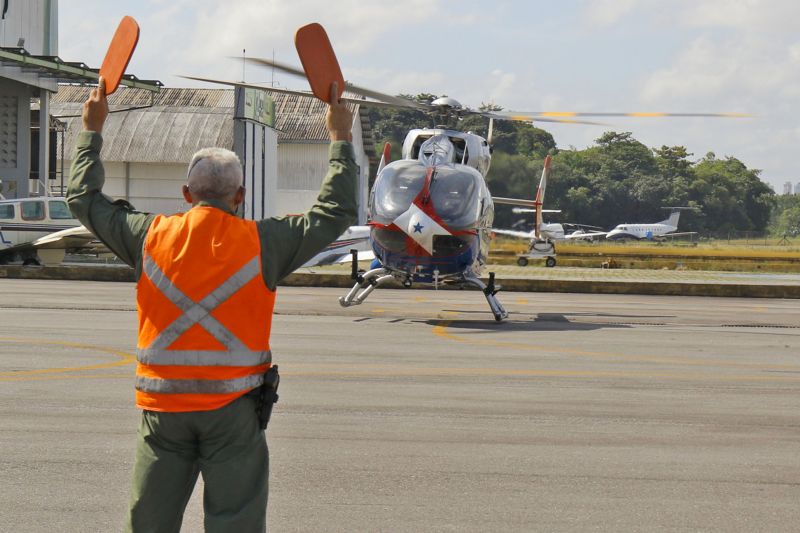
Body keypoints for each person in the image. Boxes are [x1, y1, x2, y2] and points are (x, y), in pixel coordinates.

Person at [68, 77, 358, 532]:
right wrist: (339, 138)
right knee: (234, 521)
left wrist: (92, 129)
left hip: (163, 411)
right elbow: (335, 211)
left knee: (150, 521)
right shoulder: (264, 243)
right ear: (239, 198)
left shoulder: (150, 236)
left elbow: (84, 200)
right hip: (234, 409)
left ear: (187, 194)